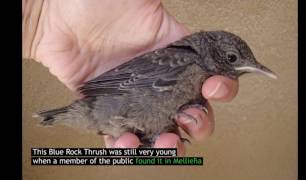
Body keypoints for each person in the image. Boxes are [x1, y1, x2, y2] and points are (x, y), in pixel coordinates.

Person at [23, 0, 239, 156]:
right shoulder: (186, 60)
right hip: (108, 105)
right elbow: (131, 82)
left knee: (156, 144)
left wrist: (37, 15)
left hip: (113, 112)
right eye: (232, 59)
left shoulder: (189, 64)